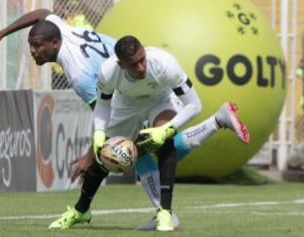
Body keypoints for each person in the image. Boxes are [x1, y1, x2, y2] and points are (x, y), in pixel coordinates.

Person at [0, 9, 179, 230]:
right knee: (122, 153)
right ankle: (88, 210)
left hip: (142, 85)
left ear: (54, 43)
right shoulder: (60, 29)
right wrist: (2, 33)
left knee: (140, 147)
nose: (33, 51)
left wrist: (89, 155)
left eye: (38, 46)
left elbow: (105, 115)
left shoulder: (78, 73)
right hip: (131, 83)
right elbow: (41, 13)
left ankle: (217, 121)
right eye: (31, 45)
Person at [48, 35, 249, 231]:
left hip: (160, 100)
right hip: (125, 105)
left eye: (142, 60)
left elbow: (195, 105)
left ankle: (165, 212)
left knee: (163, 142)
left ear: (145, 52)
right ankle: (80, 211)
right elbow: (102, 106)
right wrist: (99, 134)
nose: (141, 67)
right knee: (104, 156)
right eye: (133, 64)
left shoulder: (165, 64)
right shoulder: (108, 71)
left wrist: (165, 130)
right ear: (121, 64)